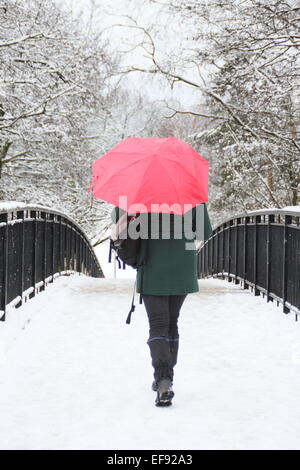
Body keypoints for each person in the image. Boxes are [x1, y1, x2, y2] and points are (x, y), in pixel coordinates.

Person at [111, 204, 213, 406]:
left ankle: (163, 378)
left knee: (158, 324)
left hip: (152, 264)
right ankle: (166, 377)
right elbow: (203, 232)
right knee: (171, 322)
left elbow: (119, 223)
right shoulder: (190, 192)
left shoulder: (138, 192)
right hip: (183, 265)